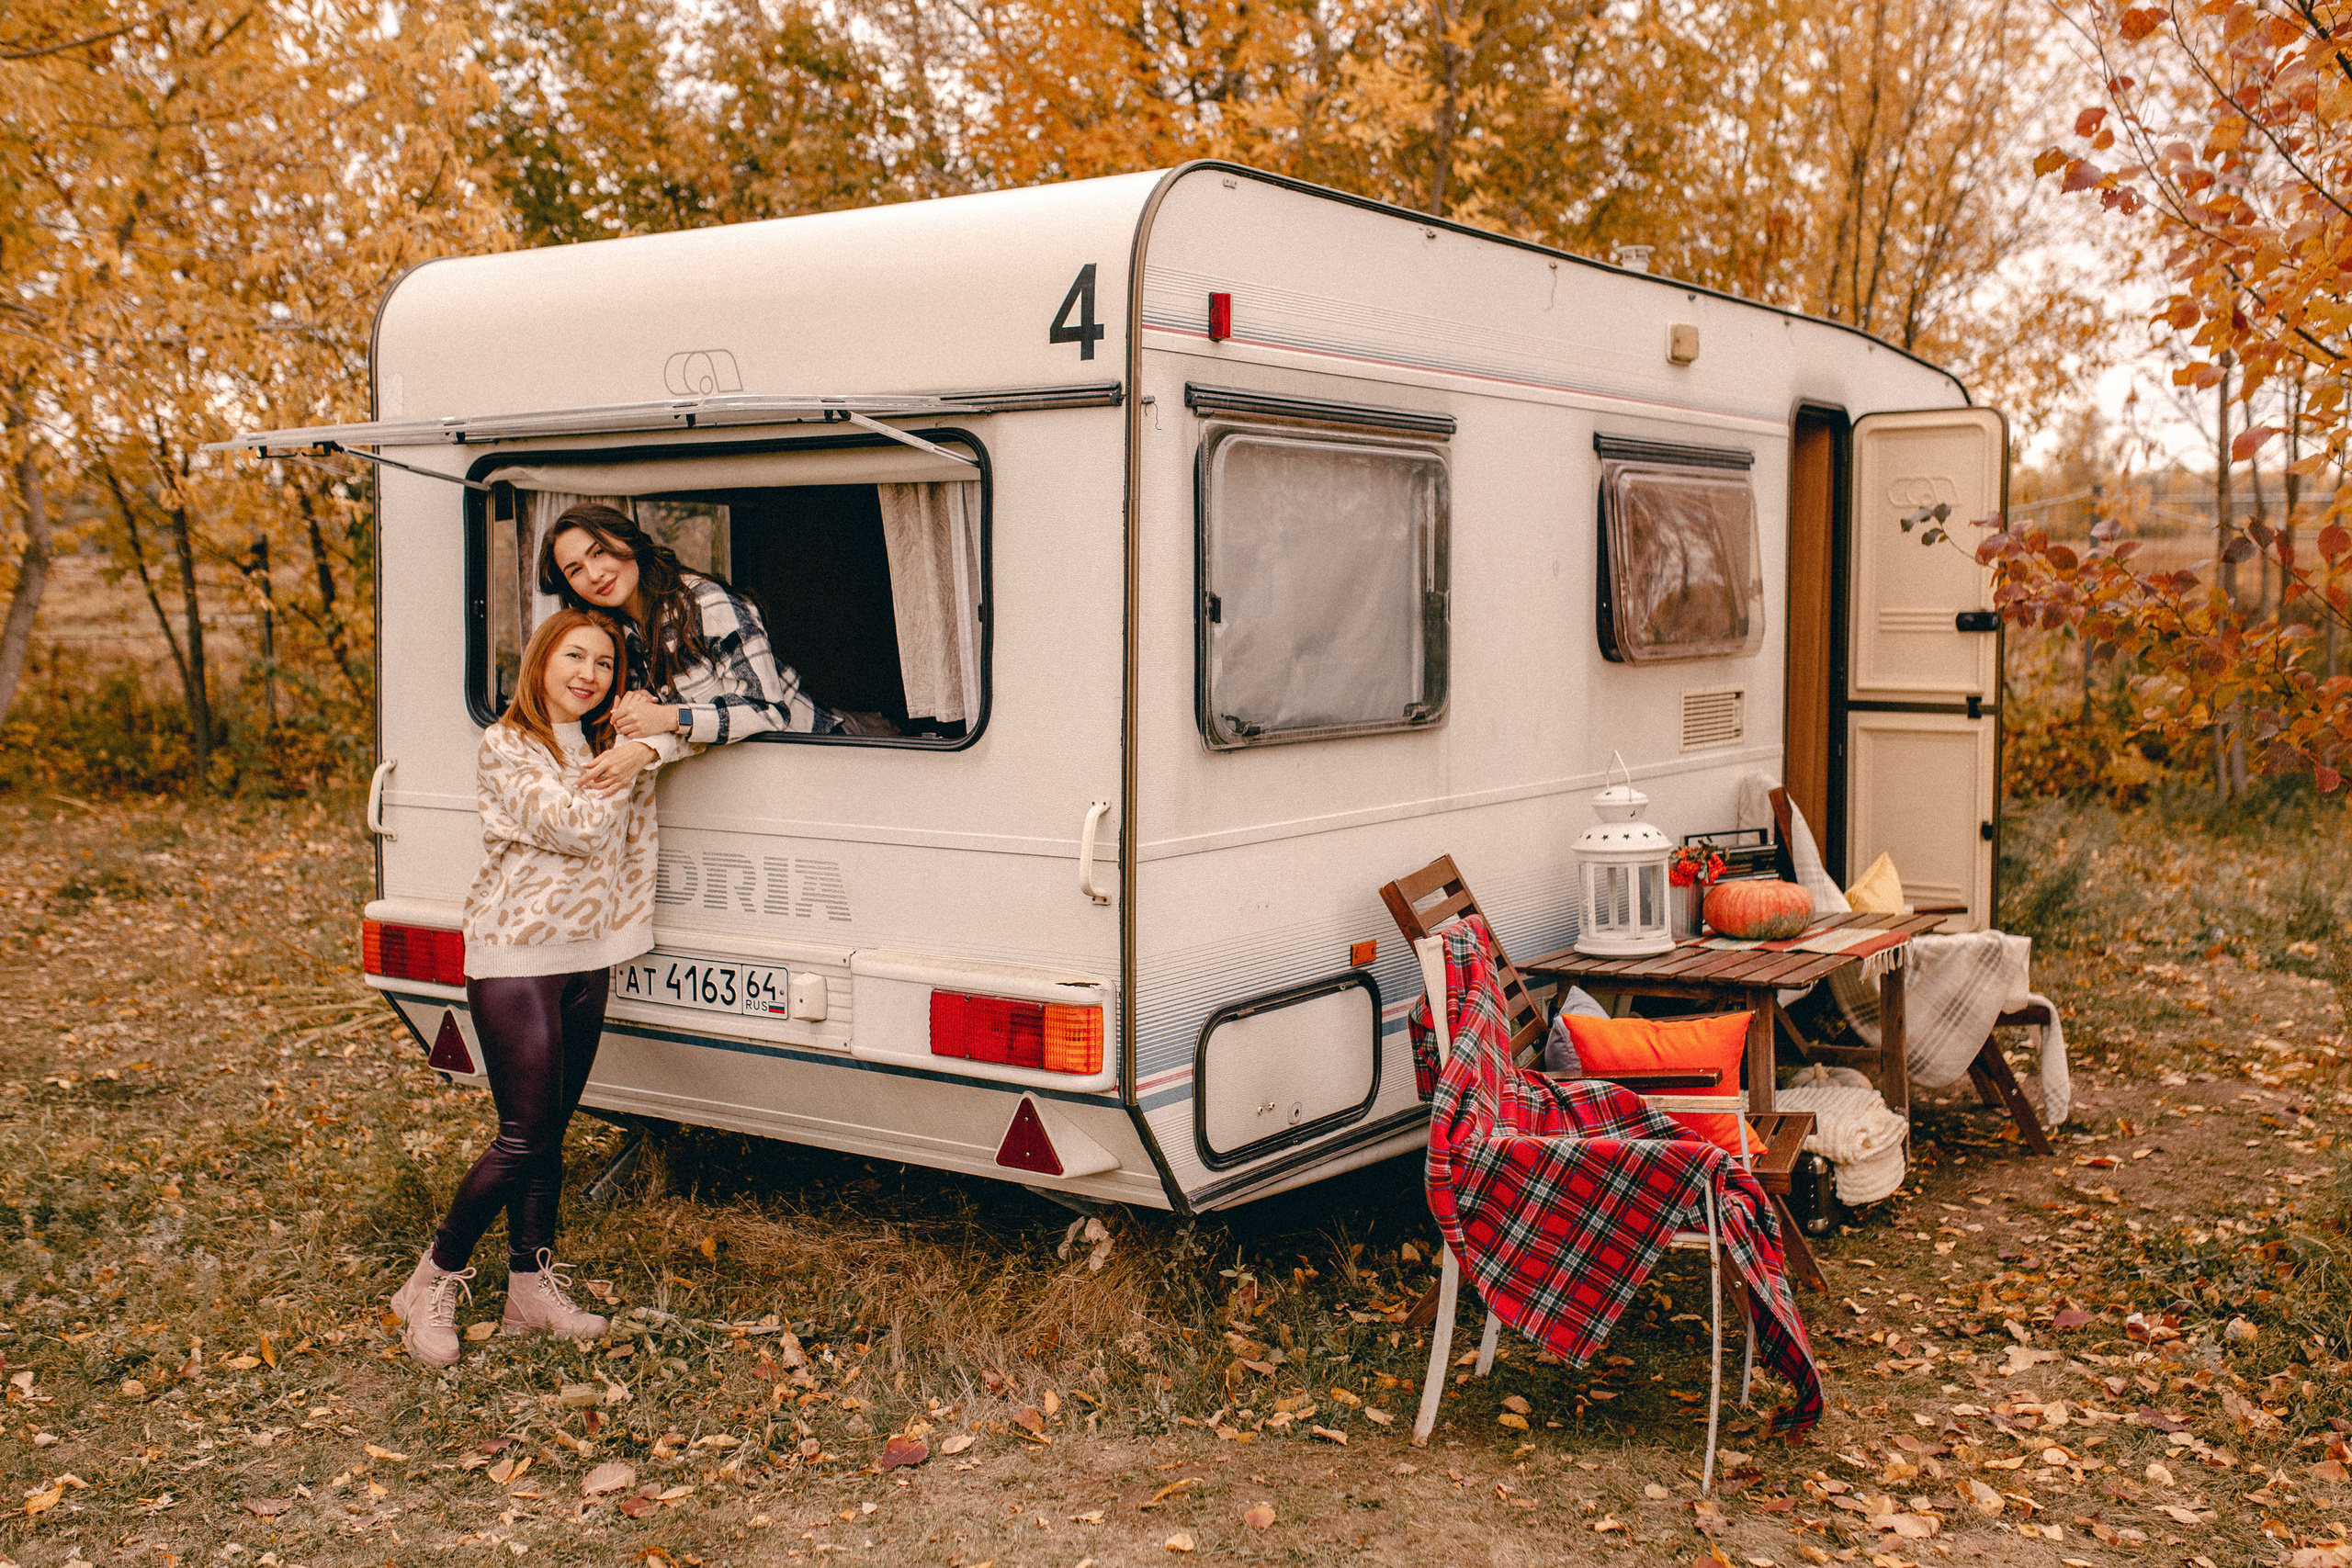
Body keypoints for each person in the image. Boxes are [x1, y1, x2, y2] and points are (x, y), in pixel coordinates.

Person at [390, 607, 670, 1366]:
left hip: (589, 954)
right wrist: (632, 763)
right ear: (541, 660)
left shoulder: (612, 742)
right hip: (517, 952)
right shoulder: (507, 744)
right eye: (574, 656)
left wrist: (642, 744)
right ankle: (434, 1275)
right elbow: (577, 826)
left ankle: (528, 1288)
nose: (589, 673)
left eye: (605, 663)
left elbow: (685, 733)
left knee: (552, 1130)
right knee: (522, 1136)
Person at [538, 503, 838, 795]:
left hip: (818, 759)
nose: (593, 574)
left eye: (599, 552)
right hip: (731, 779)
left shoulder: (703, 602)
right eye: (575, 570)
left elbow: (769, 711)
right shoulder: (609, 635)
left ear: (629, 540)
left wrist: (668, 717)